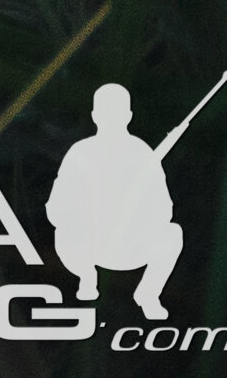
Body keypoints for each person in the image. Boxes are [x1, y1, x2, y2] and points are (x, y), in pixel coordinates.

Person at [49, 80, 189, 321]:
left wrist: (136, 209)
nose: (111, 118)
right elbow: (56, 208)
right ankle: (86, 277)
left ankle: (148, 294)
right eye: (105, 112)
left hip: (131, 245)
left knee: (173, 234)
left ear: (128, 115)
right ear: (95, 115)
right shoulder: (80, 153)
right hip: (89, 246)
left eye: (117, 112)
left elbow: (165, 208)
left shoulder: (142, 152)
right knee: (63, 235)